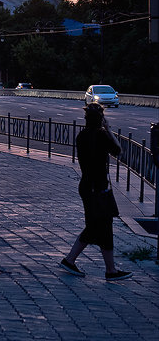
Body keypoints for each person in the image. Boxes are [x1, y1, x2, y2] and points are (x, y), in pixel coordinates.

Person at [60, 102, 132, 281]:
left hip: (87, 186)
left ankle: (109, 270)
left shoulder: (82, 136)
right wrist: (108, 129)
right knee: (98, 227)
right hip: (98, 188)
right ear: (101, 119)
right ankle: (72, 261)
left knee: (101, 227)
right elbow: (118, 150)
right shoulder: (101, 135)